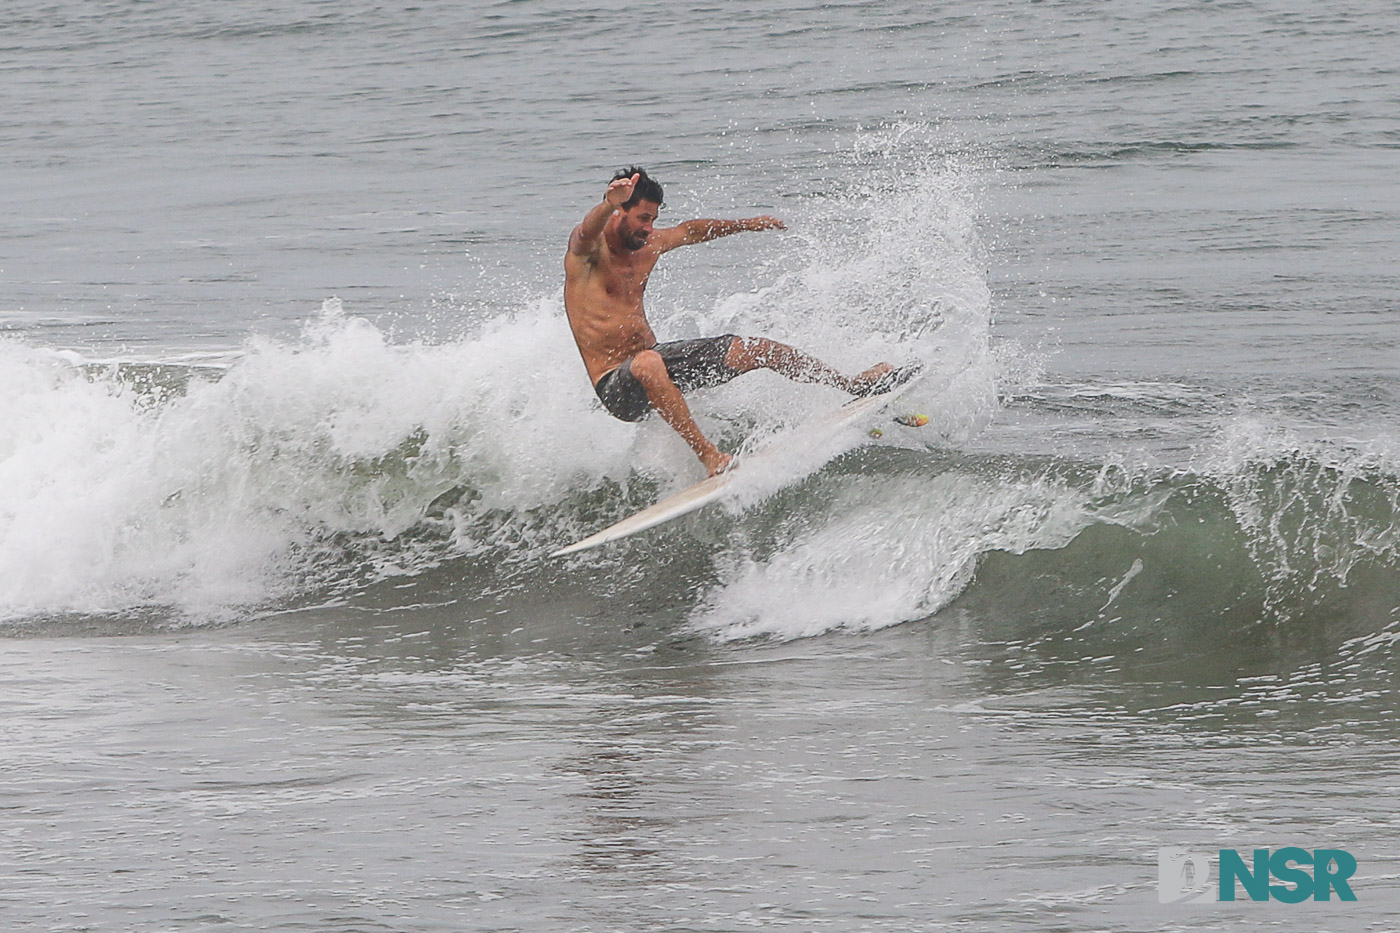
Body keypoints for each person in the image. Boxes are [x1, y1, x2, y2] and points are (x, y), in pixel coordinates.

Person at [563, 166, 906, 476]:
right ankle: (710, 458)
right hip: (616, 386)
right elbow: (583, 234)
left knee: (754, 349)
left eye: (653, 219)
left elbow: (691, 231)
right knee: (649, 362)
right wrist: (607, 203)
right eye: (642, 218)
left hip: (654, 365)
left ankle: (851, 384)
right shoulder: (590, 254)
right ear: (618, 210)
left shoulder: (648, 244)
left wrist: (747, 224)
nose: (649, 228)